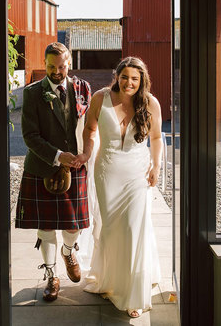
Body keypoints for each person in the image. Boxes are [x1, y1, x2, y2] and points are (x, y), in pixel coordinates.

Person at [76, 56, 163, 318]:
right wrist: (86, 153)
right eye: (124, 77)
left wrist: (156, 166)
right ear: (117, 76)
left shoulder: (150, 103)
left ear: (142, 80)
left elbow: (157, 137)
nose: (129, 82)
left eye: (134, 79)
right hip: (108, 172)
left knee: (133, 229)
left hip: (137, 173)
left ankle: (132, 294)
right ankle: (110, 281)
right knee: (111, 228)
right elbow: (89, 130)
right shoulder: (100, 98)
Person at [14, 42, 91, 302]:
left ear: (68, 63)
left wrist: (85, 154)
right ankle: (51, 275)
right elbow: (30, 136)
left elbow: (89, 126)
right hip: (43, 166)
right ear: (44, 64)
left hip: (76, 167)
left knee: (73, 225)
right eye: (51, 66)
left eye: (61, 66)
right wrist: (59, 157)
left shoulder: (82, 88)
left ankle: (68, 252)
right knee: (46, 228)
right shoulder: (33, 93)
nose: (56, 71)